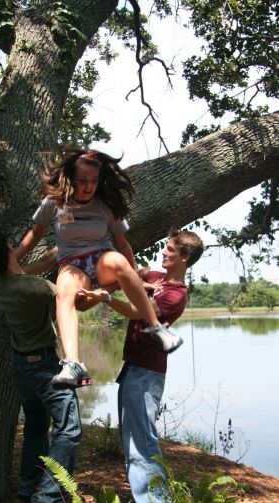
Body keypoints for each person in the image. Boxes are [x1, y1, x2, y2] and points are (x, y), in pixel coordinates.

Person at [16, 148, 183, 389]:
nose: (88, 187)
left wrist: (135, 276)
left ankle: (156, 329)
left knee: (117, 261)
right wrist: (15, 263)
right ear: (70, 179)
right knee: (63, 291)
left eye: (94, 181)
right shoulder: (54, 203)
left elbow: (123, 244)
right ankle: (73, 363)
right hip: (73, 265)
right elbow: (34, 235)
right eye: (83, 181)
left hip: (102, 259)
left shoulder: (106, 204)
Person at [78, 228, 204, 503]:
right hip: (133, 367)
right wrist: (117, 237)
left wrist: (106, 299)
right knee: (132, 437)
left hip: (147, 373)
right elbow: (133, 271)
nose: (163, 253)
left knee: (142, 439)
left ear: (184, 258)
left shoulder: (176, 295)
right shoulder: (159, 279)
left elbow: (137, 311)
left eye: (170, 250)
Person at [0, 229, 82, 503]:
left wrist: (54, 254)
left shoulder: (1, 283)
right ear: (10, 248)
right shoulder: (34, 288)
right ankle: (47, 499)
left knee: (36, 425)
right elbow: (68, 297)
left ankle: (28, 486)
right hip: (44, 366)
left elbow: (25, 273)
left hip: (21, 368)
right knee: (69, 429)